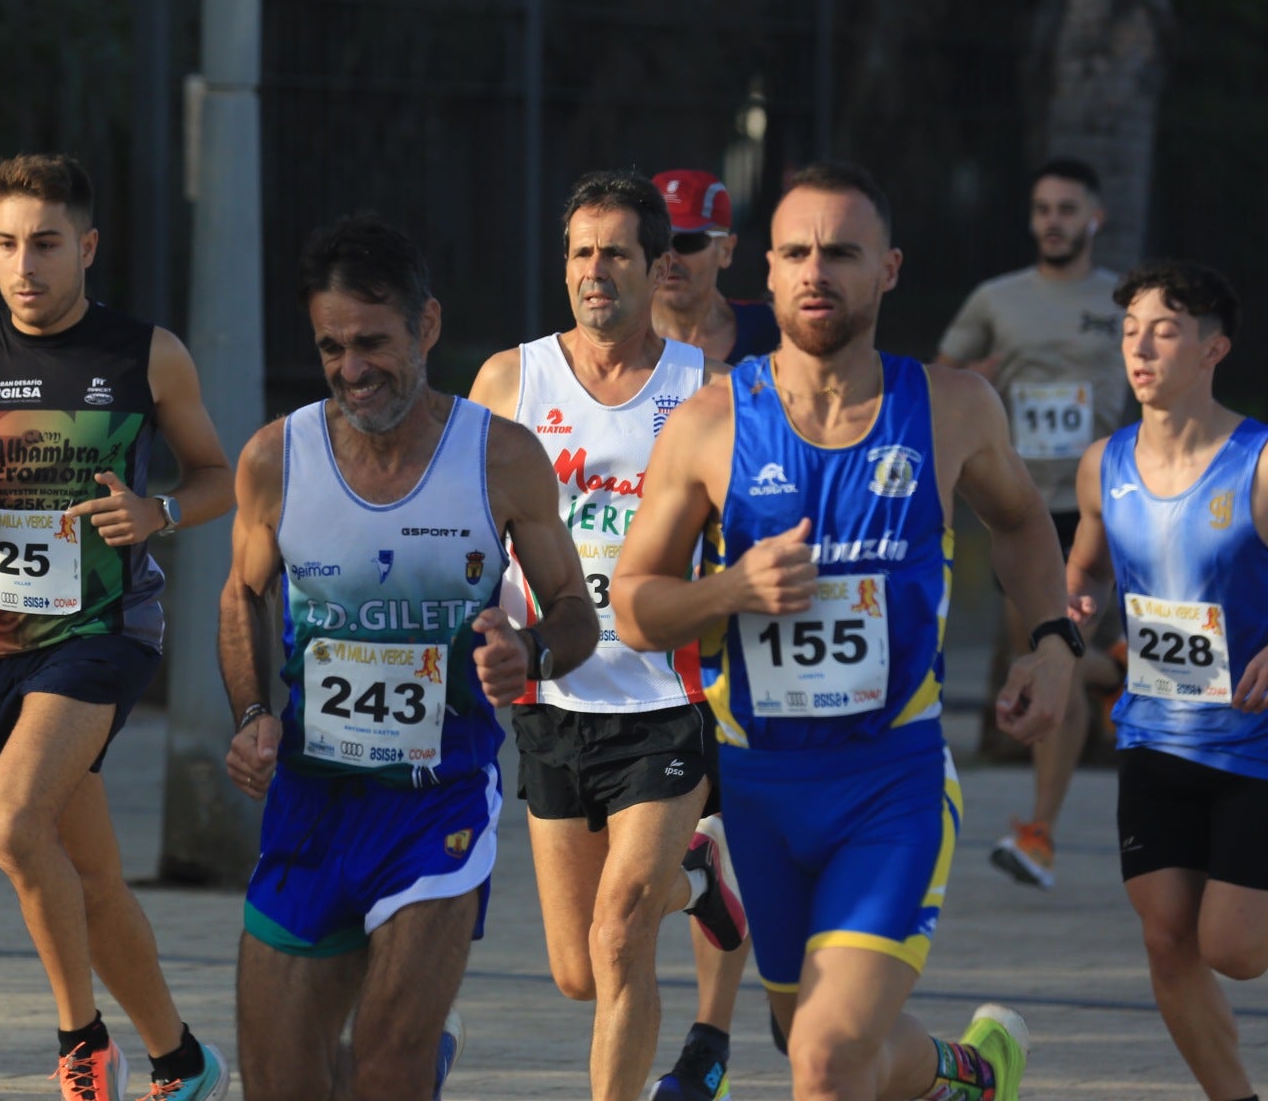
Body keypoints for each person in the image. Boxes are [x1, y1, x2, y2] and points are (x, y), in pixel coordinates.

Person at [613, 161, 1078, 1101]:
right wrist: (730, 589)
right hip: (761, 790)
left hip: (891, 782)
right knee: (810, 1040)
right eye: (796, 252)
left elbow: (1024, 521)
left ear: (890, 269)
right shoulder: (710, 424)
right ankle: (969, 1075)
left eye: (842, 252)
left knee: (825, 1060)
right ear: (770, 274)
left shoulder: (949, 408)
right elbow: (634, 603)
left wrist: (1055, 642)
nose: (816, 270)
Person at [219, 211, 600, 1101]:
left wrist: (531, 652)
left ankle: (412, 1056)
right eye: (330, 348)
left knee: (385, 1069)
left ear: (426, 326)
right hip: (311, 802)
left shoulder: (499, 459)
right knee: (281, 1085)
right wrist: (250, 712)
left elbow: (579, 615)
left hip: (438, 806)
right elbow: (244, 593)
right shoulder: (278, 460)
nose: (352, 370)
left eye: (373, 343)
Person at [0, 153, 235, 1101]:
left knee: (10, 823)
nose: (23, 266)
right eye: (6, 243)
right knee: (90, 878)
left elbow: (220, 476)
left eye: (45, 243)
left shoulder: (143, 354)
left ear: (85, 246)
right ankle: (183, 1061)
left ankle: (82, 1042)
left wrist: (158, 513)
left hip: (107, 632)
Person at [467, 171, 747, 1101]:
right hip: (552, 699)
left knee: (621, 931)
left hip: (666, 701)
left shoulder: (704, 391)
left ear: (655, 266)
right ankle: (697, 878)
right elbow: (466, 527)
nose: (595, 271)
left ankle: (671, 874)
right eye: (581, 252)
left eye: (615, 253)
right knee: (578, 970)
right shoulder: (512, 381)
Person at [1065, 260, 1268, 1101]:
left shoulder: (1257, 462)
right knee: (1166, 942)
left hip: (1254, 748)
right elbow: (1084, 576)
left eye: (1166, 329)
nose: (1140, 348)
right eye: (1129, 330)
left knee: (1234, 950)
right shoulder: (1102, 465)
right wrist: (1060, 632)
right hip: (1153, 734)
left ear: (1214, 347)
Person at [936, 156, 1127, 890]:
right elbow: (940, 379)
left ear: (1094, 218)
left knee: (1057, 657)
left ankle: (1041, 831)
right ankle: (1131, 677)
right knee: (1051, 656)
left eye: (1068, 209)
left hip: (1103, 499)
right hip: (1022, 503)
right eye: (1043, 208)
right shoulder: (997, 298)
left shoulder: (1119, 300)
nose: (1054, 221)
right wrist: (975, 380)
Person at [649, 169, 779, 365]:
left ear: (726, 251)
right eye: (658, 242)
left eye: (689, 242)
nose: (671, 258)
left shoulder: (773, 330)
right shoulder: (611, 337)